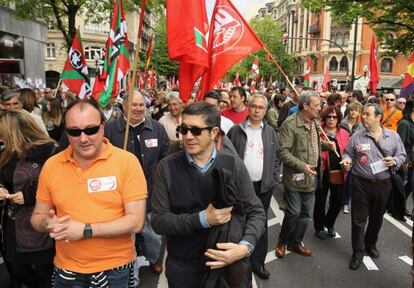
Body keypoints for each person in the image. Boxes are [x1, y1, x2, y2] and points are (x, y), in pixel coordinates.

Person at [30, 98, 148, 287]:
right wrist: (48, 223)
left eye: (91, 130)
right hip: (66, 270)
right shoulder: (52, 165)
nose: (83, 139)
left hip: (114, 270)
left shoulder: (127, 162)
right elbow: (37, 216)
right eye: (74, 132)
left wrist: (86, 230)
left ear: (103, 127)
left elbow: (136, 222)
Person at [151, 102, 266, 288]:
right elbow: (159, 221)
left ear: (214, 133)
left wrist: (245, 247)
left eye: (196, 130)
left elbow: (256, 211)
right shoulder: (166, 167)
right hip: (183, 268)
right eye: (183, 129)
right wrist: (203, 219)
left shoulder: (233, 165)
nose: (187, 136)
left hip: (227, 267)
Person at [104, 90, 170, 275]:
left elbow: (165, 157)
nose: (139, 109)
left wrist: (159, 181)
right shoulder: (110, 130)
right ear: (124, 106)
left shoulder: (157, 128)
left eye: (142, 105)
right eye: (134, 105)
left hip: (150, 192)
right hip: (121, 196)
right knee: (126, 238)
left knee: (153, 236)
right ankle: (129, 272)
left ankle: (154, 258)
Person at [341, 103, 406, 270]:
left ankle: (370, 244)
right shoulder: (357, 136)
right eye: (364, 113)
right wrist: (346, 160)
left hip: (384, 185)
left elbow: (401, 155)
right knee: (358, 220)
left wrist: (395, 161)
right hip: (360, 183)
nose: (364, 117)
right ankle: (357, 252)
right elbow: (348, 152)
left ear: (378, 117)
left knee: (377, 219)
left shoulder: (393, 136)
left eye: (368, 114)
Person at [0, 109, 56, 288]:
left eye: (3, 133)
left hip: (42, 224)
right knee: (17, 271)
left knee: (45, 274)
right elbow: (4, 178)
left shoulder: (49, 151)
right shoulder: (6, 153)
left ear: (15, 131)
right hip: (14, 224)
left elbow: (60, 185)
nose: (1, 137)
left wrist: (29, 196)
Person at [275, 90, 334, 258]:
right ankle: (282, 242)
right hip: (295, 177)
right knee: (293, 212)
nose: (320, 108)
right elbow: (283, 152)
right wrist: (302, 166)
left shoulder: (315, 121)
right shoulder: (290, 124)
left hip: (312, 177)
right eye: (316, 106)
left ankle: (296, 243)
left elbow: (312, 145)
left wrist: (326, 146)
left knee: (305, 214)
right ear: (306, 106)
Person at [227, 95, 280, 279]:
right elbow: (227, 158)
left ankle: (258, 262)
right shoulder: (235, 131)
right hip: (241, 188)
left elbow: (276, 158)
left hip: (263, 187)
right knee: (239, 223)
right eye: (254, 106)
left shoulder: (271, 132)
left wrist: (273, 179)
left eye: (261, 107)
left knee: (261, 225)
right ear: (248, 107)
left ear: (266, 110)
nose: (257, 110)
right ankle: (241, 263)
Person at [313, 106, 350, 240]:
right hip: (322, 172)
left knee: (338, 201)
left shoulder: (344, 133)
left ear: (339, 118)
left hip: (339, 172)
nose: (331, 119)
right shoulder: (317, 131)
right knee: (320, 202)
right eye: (328, 117)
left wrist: (348, 162)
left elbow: (348, 152)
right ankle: (318, 227)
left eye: (334, 117)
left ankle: (329, 223)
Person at [397, 99, 414, 216]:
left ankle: (400, 205)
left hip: (413, 157)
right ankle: (398, 206)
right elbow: (401, 143)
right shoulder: (404, 123)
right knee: (403, 183)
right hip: (406, 158)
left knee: (411, 184)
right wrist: (404, 160)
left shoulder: (412, 123)